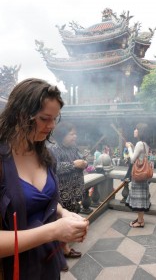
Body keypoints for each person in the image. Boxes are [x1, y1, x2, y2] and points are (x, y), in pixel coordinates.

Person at [0, 78, 89, 280]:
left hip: (47, 266)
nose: (51, 126)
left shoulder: (45, 155)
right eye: (44, 118)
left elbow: (45, 199)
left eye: (55, 119)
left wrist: (64, 213)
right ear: (21, 115)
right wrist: (53, 231)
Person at [50, 121, 88, 262]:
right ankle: (63, 251)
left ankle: (63, 247)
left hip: (75, 192)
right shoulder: (53, 150)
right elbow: (53, 168)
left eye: (75, 133)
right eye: (72, 134)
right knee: (62, 220)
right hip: (62, 193)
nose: (75, 136)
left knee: (72, 217)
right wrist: (73, 164)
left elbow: (83, 161)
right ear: (62, 135)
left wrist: (84, 163)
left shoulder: (74, 148)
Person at [125, 123, 151, 228]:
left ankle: (140, 222)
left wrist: (129, 148)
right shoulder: (144, 144)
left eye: (136, 129)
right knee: (141, 197)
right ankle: (141, 218)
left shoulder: (140, 144)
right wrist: (132, 146)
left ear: (140, 131)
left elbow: (132, 159)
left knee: (139, 198)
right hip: (143, 175)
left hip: (138, 175)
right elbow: (140, 156)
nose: (134, 130)